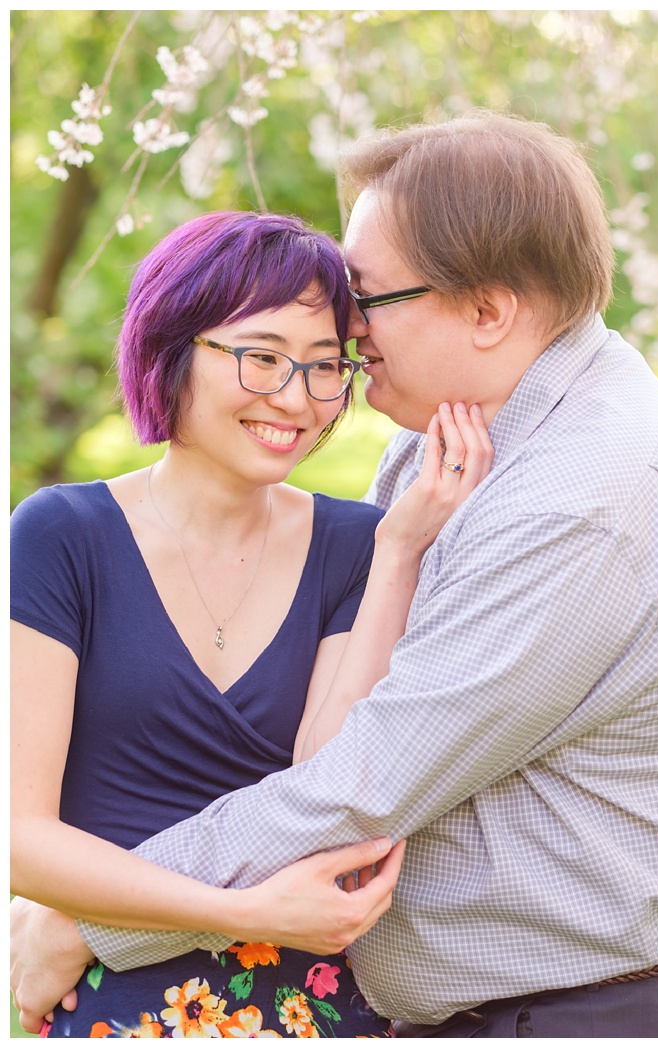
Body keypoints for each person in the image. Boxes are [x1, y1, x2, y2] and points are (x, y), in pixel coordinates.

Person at [11, 111, 658, 1038]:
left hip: (577, 1009)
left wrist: (95, 922)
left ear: (488, 310)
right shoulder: (443, 445)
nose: (349, 332)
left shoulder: (584, 498)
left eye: (365, 304)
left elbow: (362, 782)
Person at [10, 210, 492, 1037]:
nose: (296, 401)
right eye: (262, 358)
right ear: (171, 346)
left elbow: (330, 777)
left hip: (317, 1001)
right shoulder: (62, 536)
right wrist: (237, 910)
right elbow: (20, 836)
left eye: (322, 367)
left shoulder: (357, 545)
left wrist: (402, 549)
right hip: (118, 1004)